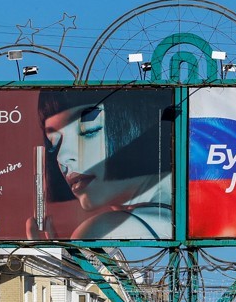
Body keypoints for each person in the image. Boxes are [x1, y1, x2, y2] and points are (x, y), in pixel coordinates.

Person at [29, 89, 174, 240]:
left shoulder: (101, 230)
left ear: (140, 121)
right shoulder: (177, 224)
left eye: (88, 130)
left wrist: (44, 259)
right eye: (54, 142)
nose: (62, 157)